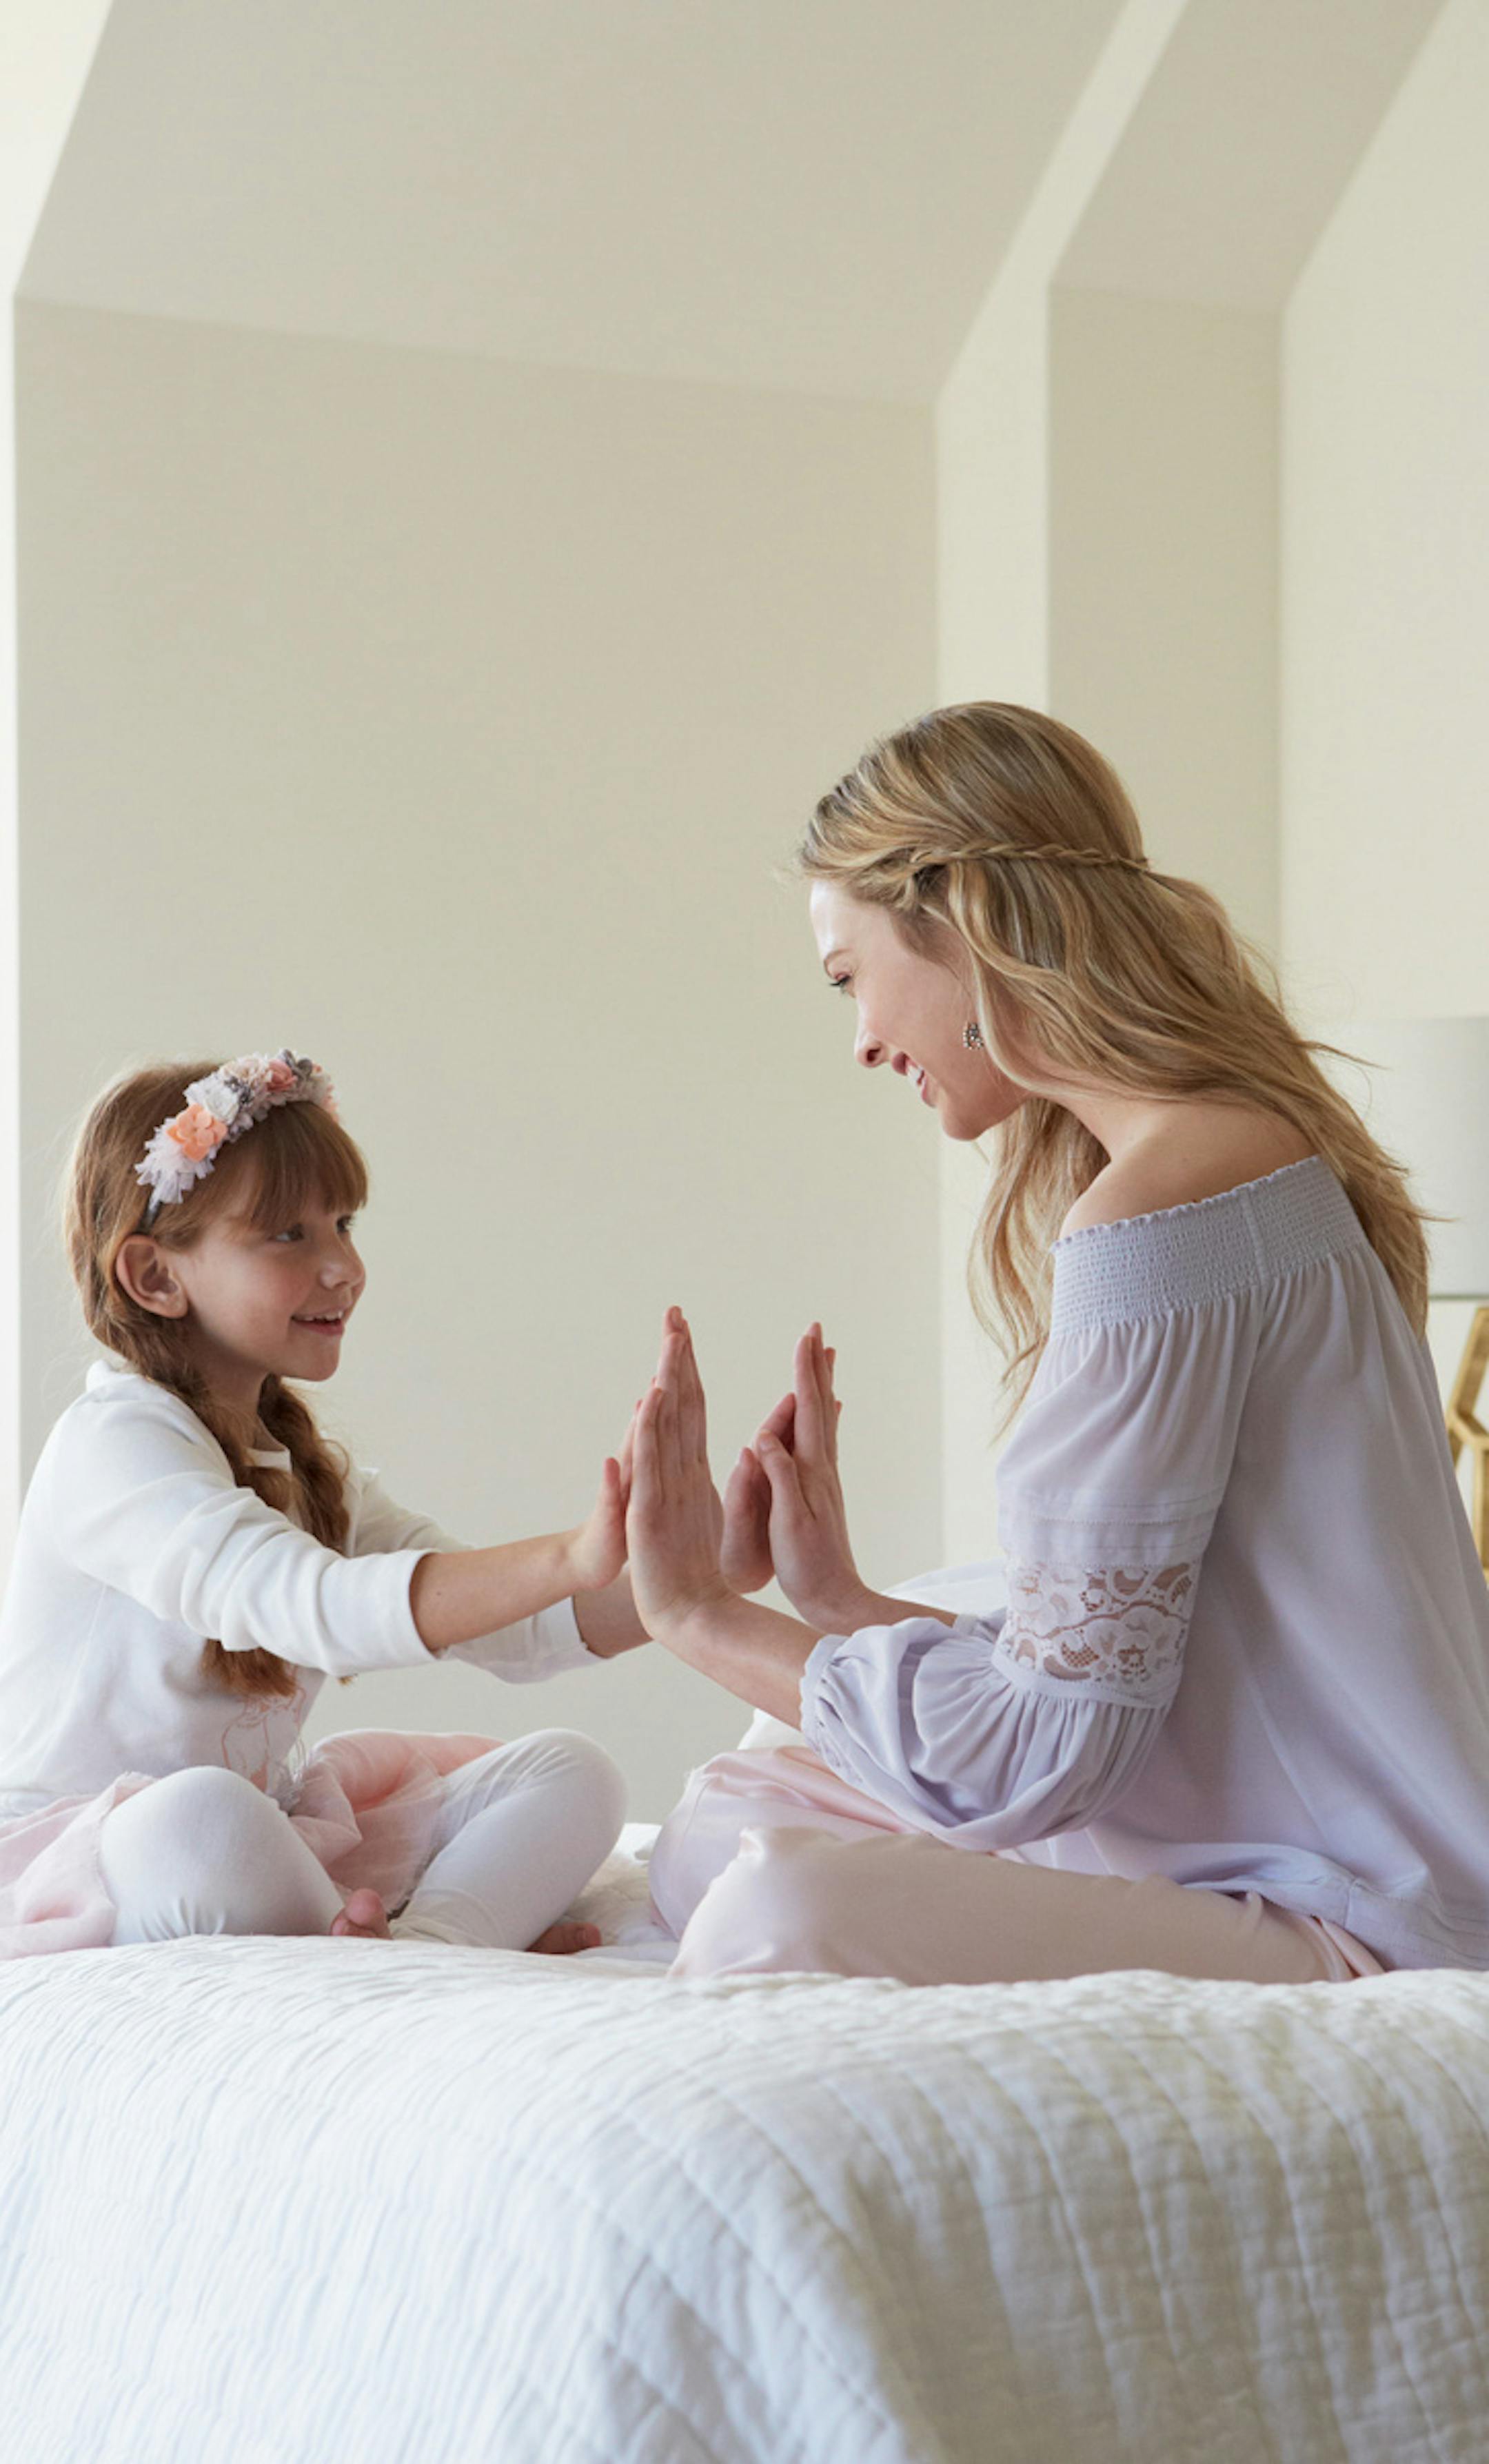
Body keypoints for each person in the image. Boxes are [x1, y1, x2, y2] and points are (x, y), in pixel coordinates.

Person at [629, 700, 1489, 1988]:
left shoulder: (1164, 1211)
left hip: (1348, 1904)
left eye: (851, 978)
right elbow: (1149, 1677)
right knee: (727, 1818)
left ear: (961, 921)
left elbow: (1047, 1753)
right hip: (1251, 1840)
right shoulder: (1240, 1153)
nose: (862, 1040)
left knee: (774, 1907)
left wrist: (695, 1613)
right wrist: (841, 1604)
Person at [0, 1048, 638, 1959]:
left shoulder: (300, 1466)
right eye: (289, 1235)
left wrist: (700, 1571)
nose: (344, 1266)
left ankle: (426, 1953)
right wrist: (572, 1554)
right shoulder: (113, 1445)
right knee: (202, 1814)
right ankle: (365, 1944)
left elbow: (513, 1628)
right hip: (92, 1858)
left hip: (260, 1840)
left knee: (573, 1771)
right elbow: (315, 1607)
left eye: (342, 1224)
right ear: (156, 1276)